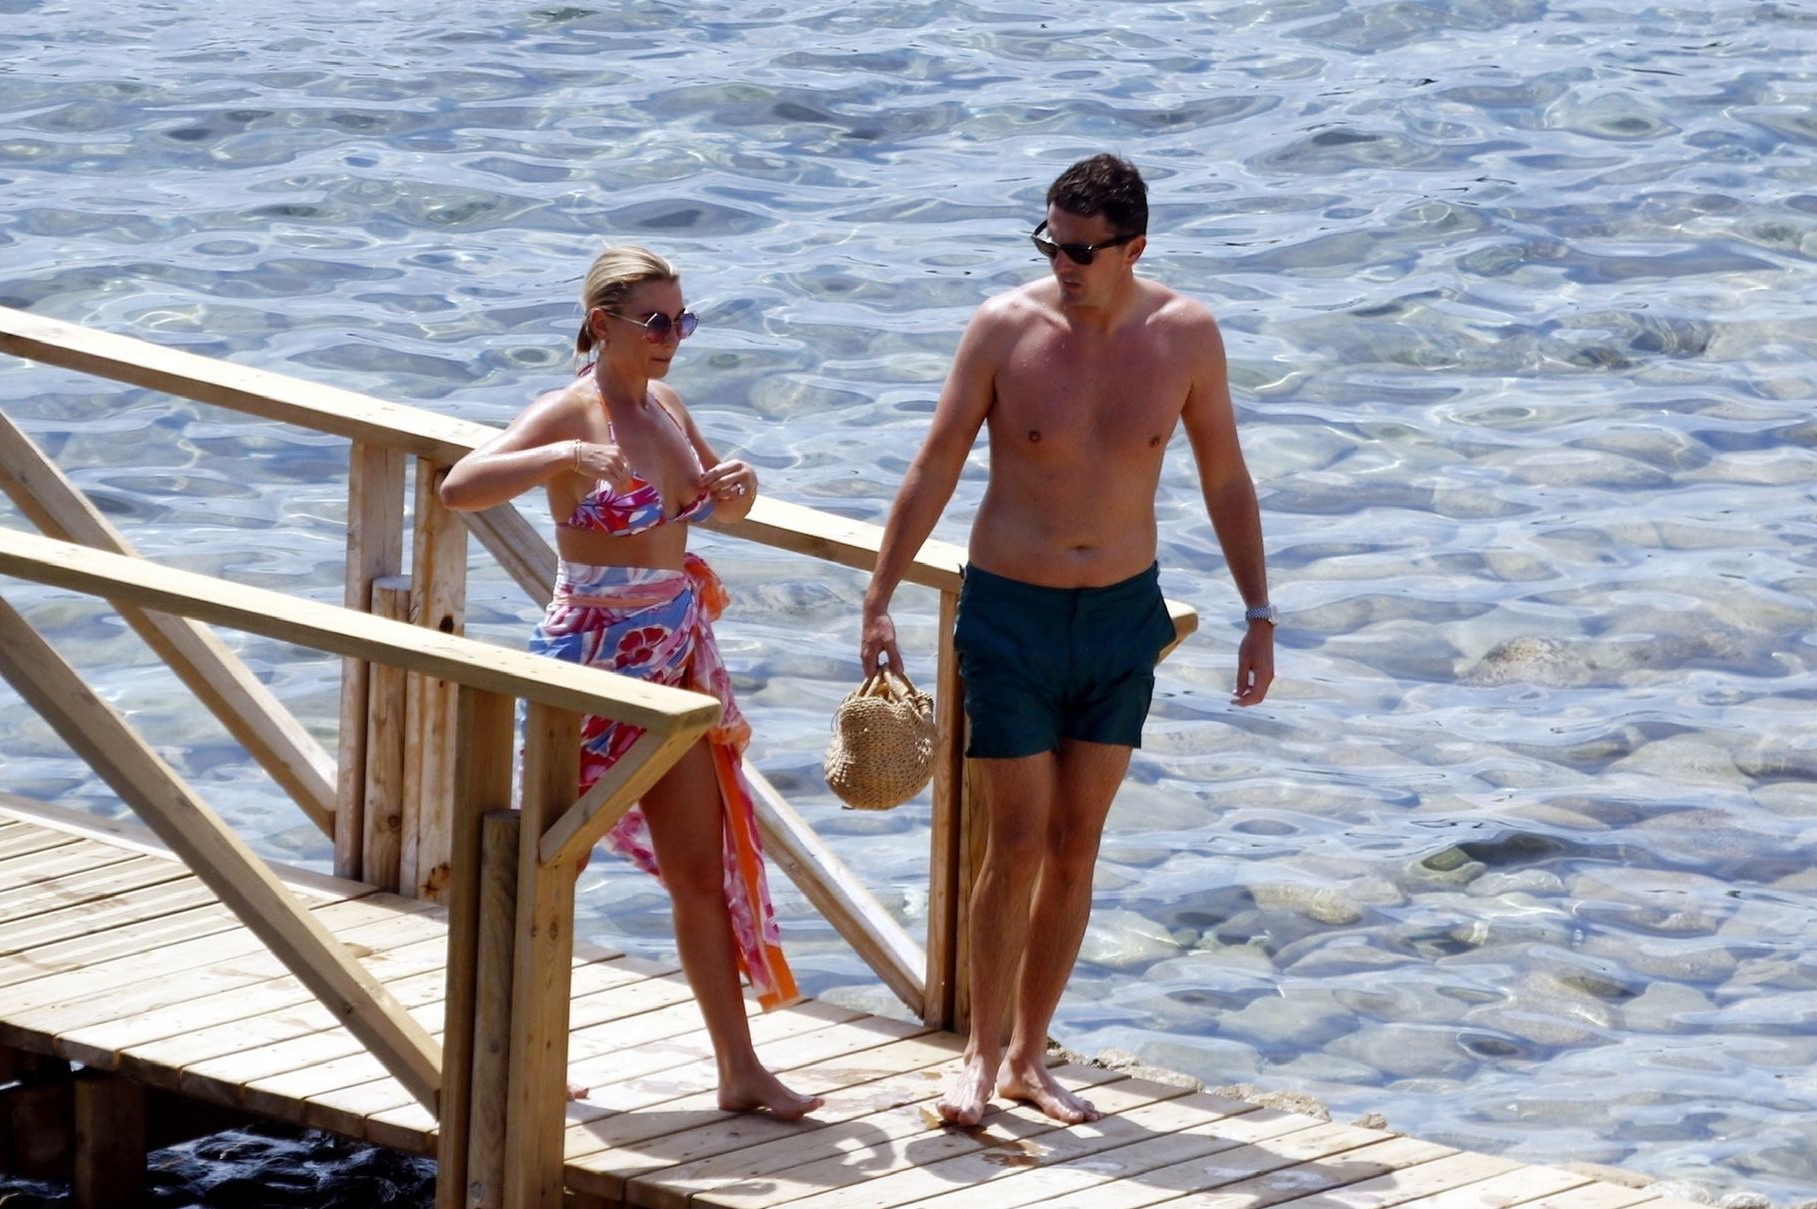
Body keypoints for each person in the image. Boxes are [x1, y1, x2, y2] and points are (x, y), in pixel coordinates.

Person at [859, 154, 1275, 1127]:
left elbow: (1226, 479)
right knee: (1015, 840)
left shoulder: (1186, 336)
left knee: (1077, 843)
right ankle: (977, 1052)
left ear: (1135, 248)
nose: (1063, 263)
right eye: (1051, 242)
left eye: (1084, 250)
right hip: (1012, 613)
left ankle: (1028, 1058)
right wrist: (879, 595)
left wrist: (1259, 613)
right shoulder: (1006, 328)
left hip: (1123, 616)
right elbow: (934, 464)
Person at [440, 246, 822, 1120]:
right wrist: (563, 455)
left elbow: (720, 508)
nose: (671, 337)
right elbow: (461, 488)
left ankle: (740, 1069)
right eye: (655, 321)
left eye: (682, 320)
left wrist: (741, 488)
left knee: (700, 871)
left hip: (673, 662)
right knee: (550, 865)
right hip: (592, 661)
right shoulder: (571, 411)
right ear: (601, 323)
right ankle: (514, 1053)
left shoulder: (668, 406)